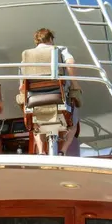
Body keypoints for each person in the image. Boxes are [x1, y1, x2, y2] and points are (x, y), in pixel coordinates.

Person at [30, 28, 83, 156]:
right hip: (58, 95)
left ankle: (42, 151)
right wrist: (75, 85)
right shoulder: (59, 49)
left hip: (34, 98)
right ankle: (62, 151)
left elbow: (22, 80)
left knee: (35, 123)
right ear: (50, 39)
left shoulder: (28, 54)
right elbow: (70, 63)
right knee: (74, 124)